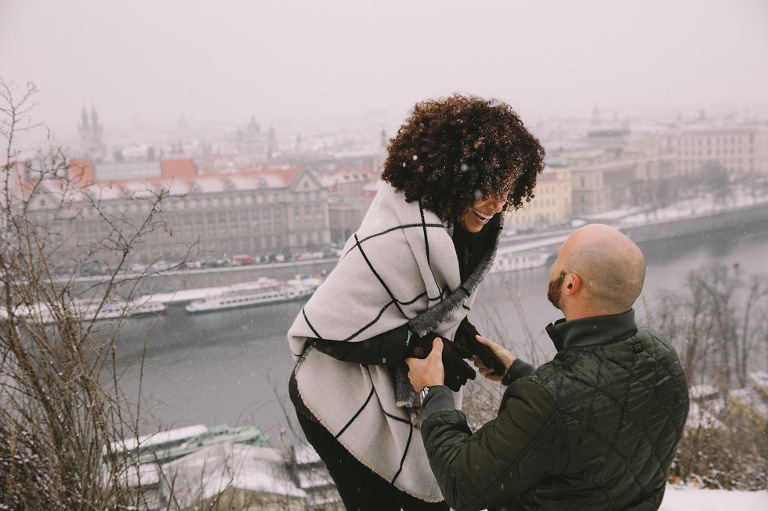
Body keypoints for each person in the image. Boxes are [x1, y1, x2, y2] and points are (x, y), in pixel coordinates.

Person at [287, 94, 545, 510]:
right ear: (453, 177)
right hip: (334, 394)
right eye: (489, 187)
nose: (497, 203)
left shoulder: (461, 229)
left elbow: (428, 312)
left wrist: (468, 341)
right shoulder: (395, 235)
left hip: (391, 385)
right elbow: (327, 331)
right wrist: (418, 347)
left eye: (508, 190)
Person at [406, 223, 690, 511]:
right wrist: (518, 374)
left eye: (558, 260)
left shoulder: (548, 400)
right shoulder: (662, 355)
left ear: (571, 284)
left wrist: (433, 391)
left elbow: (462, 484)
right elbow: (599, 417)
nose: (552, 266)